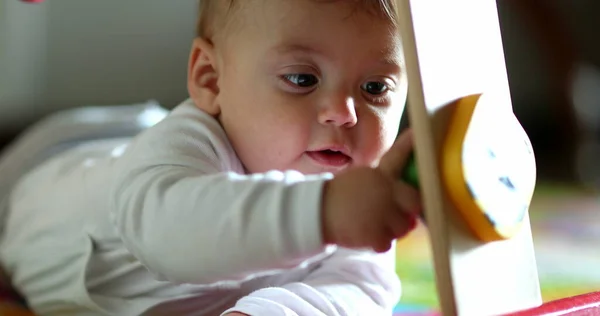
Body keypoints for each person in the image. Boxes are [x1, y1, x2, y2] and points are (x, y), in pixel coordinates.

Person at [0, 0, 421, 315]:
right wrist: (324, 212)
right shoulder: (192, 142)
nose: (343, 112)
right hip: (50, 169)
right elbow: (168, 235)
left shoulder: (361, 202)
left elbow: (359, 290)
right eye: (302, 79)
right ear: (211, 79)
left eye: (375, 88)